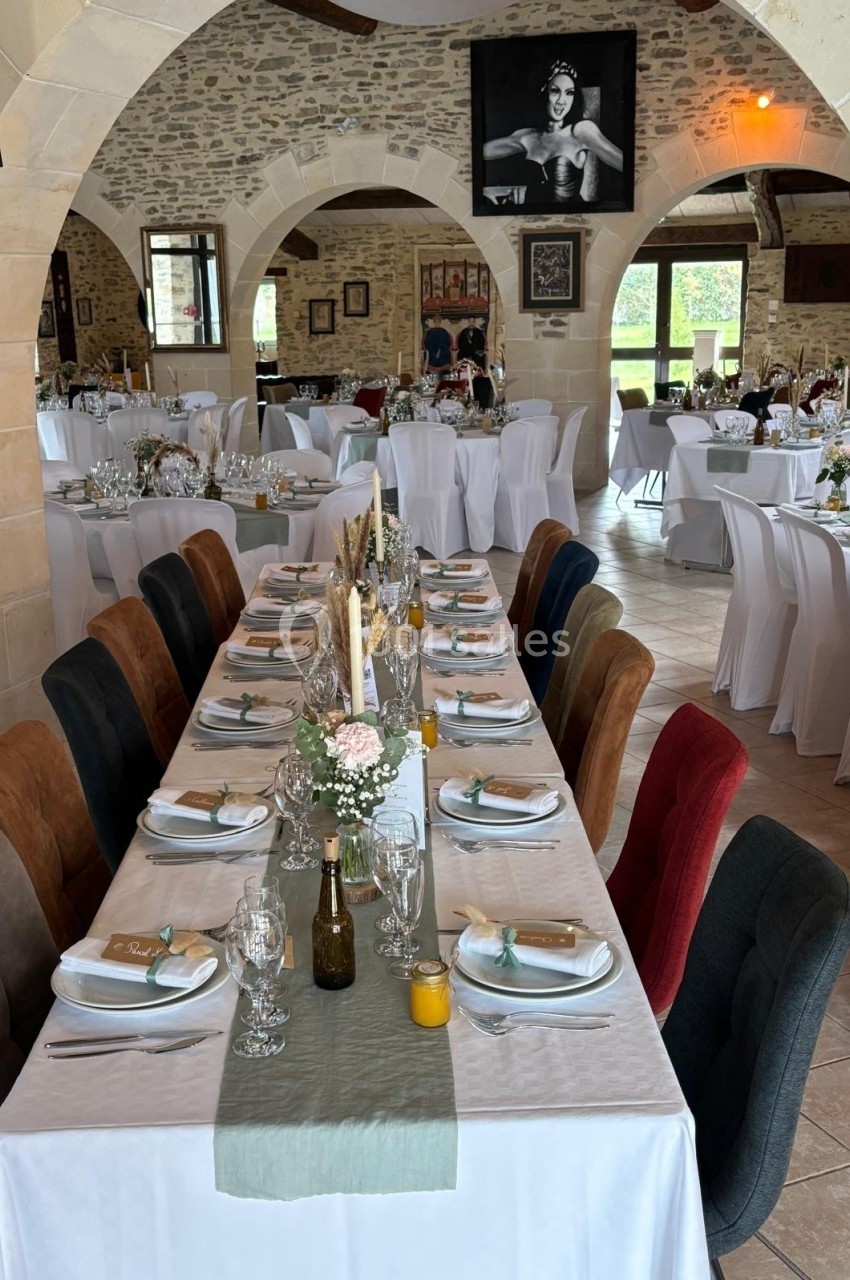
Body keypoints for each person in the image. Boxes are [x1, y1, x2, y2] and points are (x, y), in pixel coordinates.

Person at [483, 59, 622, 204]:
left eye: (569, 93)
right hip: (532, 220)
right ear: (543, 92)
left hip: (571, 221)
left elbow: (627, 165)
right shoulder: (527, 137)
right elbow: (477, 153)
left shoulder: (581, 132)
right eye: (555, 91)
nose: (562, 101)